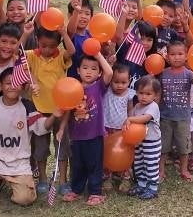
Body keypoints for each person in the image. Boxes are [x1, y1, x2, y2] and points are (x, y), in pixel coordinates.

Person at [0, 67, 62, 205]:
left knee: (25, 199)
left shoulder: (27, 106)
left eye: (16, 83)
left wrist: (54, 116)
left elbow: (42, 127)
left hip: (18, 165)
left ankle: (16, 184)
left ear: (22, 86)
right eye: (8, 83)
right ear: (1, 85)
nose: (12, 87)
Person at [26, 22, 75, 194]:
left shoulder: (61, 55)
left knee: (62, 145)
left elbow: (72, 51)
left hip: (60, 109)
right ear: (37, 40)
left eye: (52, 46)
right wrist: (25, 34)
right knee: (40, 147)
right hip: (39, 110)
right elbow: (18, 58)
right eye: (43, 45)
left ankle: (62, 180)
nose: (47, 50)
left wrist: (64, 33)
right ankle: (43, 180)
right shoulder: (31, 55)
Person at [62, 51, 113, 205]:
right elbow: (67, 110)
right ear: (78, 70)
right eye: (85, 68)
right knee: (77, 164)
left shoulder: (98, 87)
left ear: (98, 73)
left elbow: (109, 72)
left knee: (94, 164)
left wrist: (98, 55)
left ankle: (95, 192)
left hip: (95, 135)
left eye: (93, 69)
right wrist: (61, 129)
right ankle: (76, 189)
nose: (89, 71)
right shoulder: (73, 88)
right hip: (76, 135)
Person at [158, 40, 193, 182]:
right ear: (167, 57)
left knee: (184, 147)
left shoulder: (189, 74)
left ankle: (184, 170)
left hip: (183, 118)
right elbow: (157, 92)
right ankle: (161, 171)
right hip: (165, 117)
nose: (176, 57)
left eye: (180, 54)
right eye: (173, 54)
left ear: (186, 56)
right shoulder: (163, 73)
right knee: (163, 147)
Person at [127, 75, 162, 199]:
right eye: (141, 93)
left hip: (151, 142)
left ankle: (152, 188)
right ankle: (141, 184)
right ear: (136, 92)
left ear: (155, 95)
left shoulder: (153, 107)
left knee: (150, 164)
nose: (144, 96)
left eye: (148, 94)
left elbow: (145, 118)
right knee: (139, 163)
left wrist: (130, 119)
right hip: (139, 141)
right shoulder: (137, 107)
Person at [102, 62, 134, 192]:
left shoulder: (129, 94)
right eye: (116, 82)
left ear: (129, 80)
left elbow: (130, 111)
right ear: (110, 81)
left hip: (122, 130)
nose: (120, 85)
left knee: (124, 153)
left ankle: (125, 177)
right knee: (107, 152)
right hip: (107, 128)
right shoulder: (106, 91)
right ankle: (107, 177)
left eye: (123, 82)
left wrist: (129, 122)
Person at [66, 0, 93, 80]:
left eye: (87, 14)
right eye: (80, 13)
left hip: (89, 81)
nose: (83, 16)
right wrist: (76, 11)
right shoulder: (70, 35)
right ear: (70, 15)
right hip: (74, 81)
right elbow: (71, 29)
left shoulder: (90, 35)